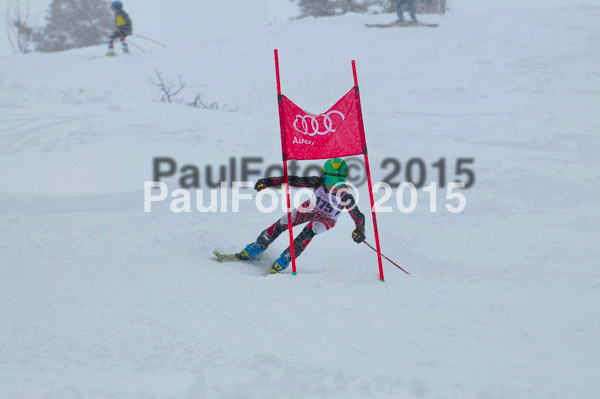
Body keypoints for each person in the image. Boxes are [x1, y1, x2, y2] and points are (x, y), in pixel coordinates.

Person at [238, 158, 366, 274]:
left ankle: (287, 257)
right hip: (311, 208)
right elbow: (294, 180)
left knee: (311, 229)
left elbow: (358, 216)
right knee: (285, 221)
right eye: (329, 180)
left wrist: (360, 230)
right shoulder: (318, 182)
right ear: (324, 177)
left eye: (338, 181)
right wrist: (270, 182)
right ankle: (260, 244)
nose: (333, 185)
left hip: (327, 218)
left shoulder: (345, 196)